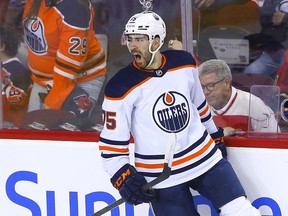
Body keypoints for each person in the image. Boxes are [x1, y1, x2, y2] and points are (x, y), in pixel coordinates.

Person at [98, 11, 260, 216]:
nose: (132, 45)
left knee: (242, 211)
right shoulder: (120, 87)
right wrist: (122, 175)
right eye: (130, 39)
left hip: (203, 157)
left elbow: (200, 106)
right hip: (160, 174)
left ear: (156, 41)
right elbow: (112, 145)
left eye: (139, 39)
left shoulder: (184, 62)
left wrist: (213, 134)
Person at [22, 0, 107, 116]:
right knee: (31, 128)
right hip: (42, 81)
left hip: (79, 80)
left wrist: (51, 104)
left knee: (62, 129)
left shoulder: (75, 8)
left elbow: (67, 70)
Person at [198, 59, 280, 134]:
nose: (205, 92)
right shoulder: (199, 108)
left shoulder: (253, 105)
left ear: (226, 83)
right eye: (202, 87)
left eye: (211, 85)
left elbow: (272, 144)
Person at [0, 25, 32, 128]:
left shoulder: (16, 70)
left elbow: (17, 102)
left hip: (14, 127)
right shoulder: (5, 66)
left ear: (2, 47)